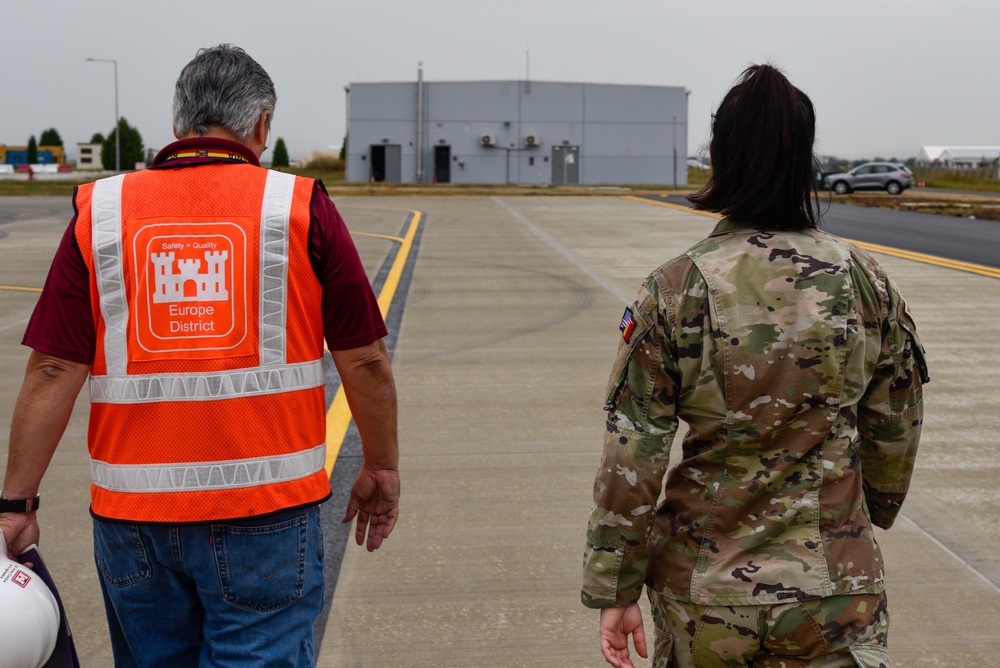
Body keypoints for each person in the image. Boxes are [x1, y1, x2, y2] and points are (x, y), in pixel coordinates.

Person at [0, 44, 399, 666]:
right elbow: (366, 362)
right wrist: (379, 464)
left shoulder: (100, 212)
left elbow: (54, 370)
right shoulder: (300, 207)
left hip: (134, 520)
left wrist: (16, 504)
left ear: (177, 123)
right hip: (266, 512)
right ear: (262, 126)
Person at [582, 64, 928, 668]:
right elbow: (896, 422)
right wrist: (869, 509)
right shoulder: (866, 280)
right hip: (833, 587)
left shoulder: (675, 288)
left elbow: (634, 451)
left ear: (720, 154)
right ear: (804, 159)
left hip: (706, 593)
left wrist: (616, 586)